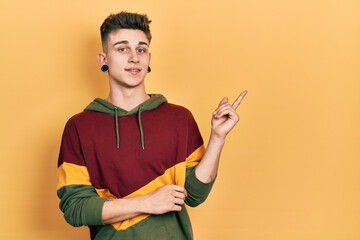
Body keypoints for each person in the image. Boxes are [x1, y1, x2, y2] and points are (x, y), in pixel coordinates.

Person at [57, 11, 247, 240]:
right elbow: (75, 209)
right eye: (122, 48)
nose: (134, 57)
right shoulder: (79, 127)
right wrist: (146, 203)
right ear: (103, 59)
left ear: (148, 58)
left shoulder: (179, 118)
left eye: (141, 49)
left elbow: (195, 195)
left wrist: (217, 137)